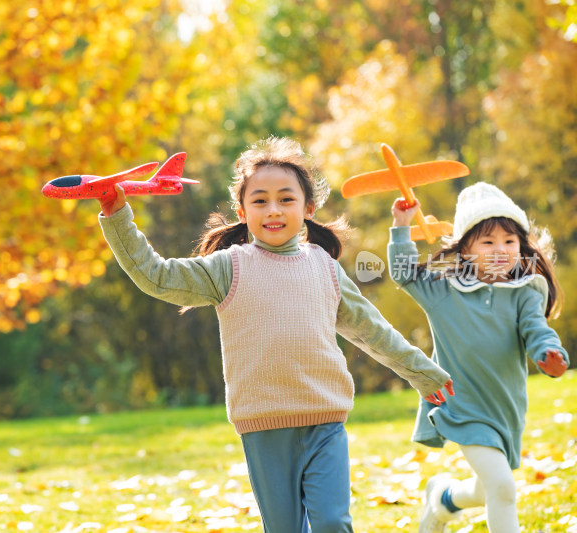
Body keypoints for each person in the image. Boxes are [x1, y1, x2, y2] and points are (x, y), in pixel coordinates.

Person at [96, 136, 453, 533]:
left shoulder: (326, 268)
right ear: (242, 210)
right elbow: (156, 276)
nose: (274, 210)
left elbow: (373, 331)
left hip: (325, 422)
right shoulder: (227, 268)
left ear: (308, 208)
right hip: (263, 427)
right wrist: (117, 215)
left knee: (334, 522)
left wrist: (421, 371)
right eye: (260, 200)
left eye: (286, 199)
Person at [388, 182, 569, 533]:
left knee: (488, 487)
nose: (500, 250)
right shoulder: (444, 292)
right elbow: (404, 272)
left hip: (504, 407)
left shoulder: (525, 292)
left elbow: (537, 331)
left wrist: (550, 354)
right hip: (460, 405)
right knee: (502, 487)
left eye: (509, 241)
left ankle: (442, 499)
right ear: (465, 249)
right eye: (487, 242)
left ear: (521, 246)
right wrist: (401, 226)